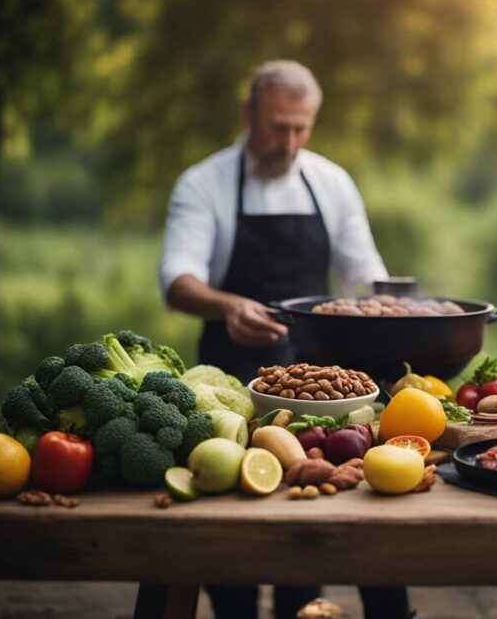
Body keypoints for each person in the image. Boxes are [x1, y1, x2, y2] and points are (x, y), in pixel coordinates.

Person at [158, 60, 411, 619]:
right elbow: (177, 281)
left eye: (302, 128)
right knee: (232, 538)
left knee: (307, 513)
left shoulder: (331, 182)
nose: (290, 142)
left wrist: (394, 310)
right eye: (278, 126)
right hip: (231, 386)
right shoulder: (205, 183)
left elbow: (365, 278)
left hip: (323, 386)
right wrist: (227, 306)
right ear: (248, 115)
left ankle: (301, 603)